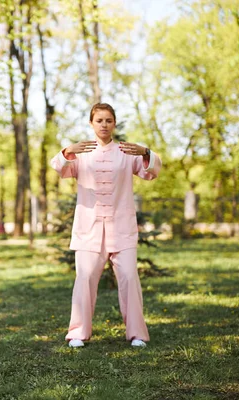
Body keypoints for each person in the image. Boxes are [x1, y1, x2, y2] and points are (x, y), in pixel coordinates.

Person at [50, 103, 162, 348]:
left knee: (130, 278)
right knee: (85, 277)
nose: (104, 125)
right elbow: (59, 168)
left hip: (121, 226)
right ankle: (78, 332)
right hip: (88, 228)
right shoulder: (81, 152)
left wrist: (145, 152)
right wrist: (68, 151)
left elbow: (151, 172)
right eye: (99, 120)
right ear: (91, 123)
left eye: (108, 120)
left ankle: (137, 334)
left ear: (114, 123)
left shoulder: (126, 151)